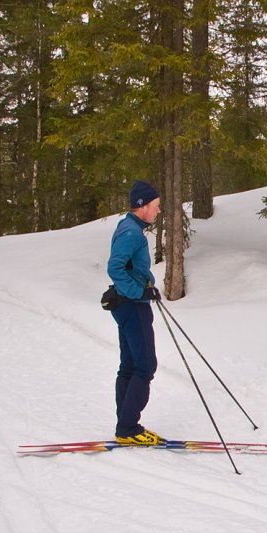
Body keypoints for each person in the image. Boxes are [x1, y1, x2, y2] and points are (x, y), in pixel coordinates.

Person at [107, 180, 163, 445]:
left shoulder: (130, 228)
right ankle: (129, 427)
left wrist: (148, 284)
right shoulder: (131, 232)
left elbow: (131, 268)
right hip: (132, 306)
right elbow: (115, 268)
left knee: (129, 365)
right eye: (156, 206)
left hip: (129, 304)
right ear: (142, 206)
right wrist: (138, 292)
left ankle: (124, 425)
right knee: (145, 366)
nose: (158, 210)